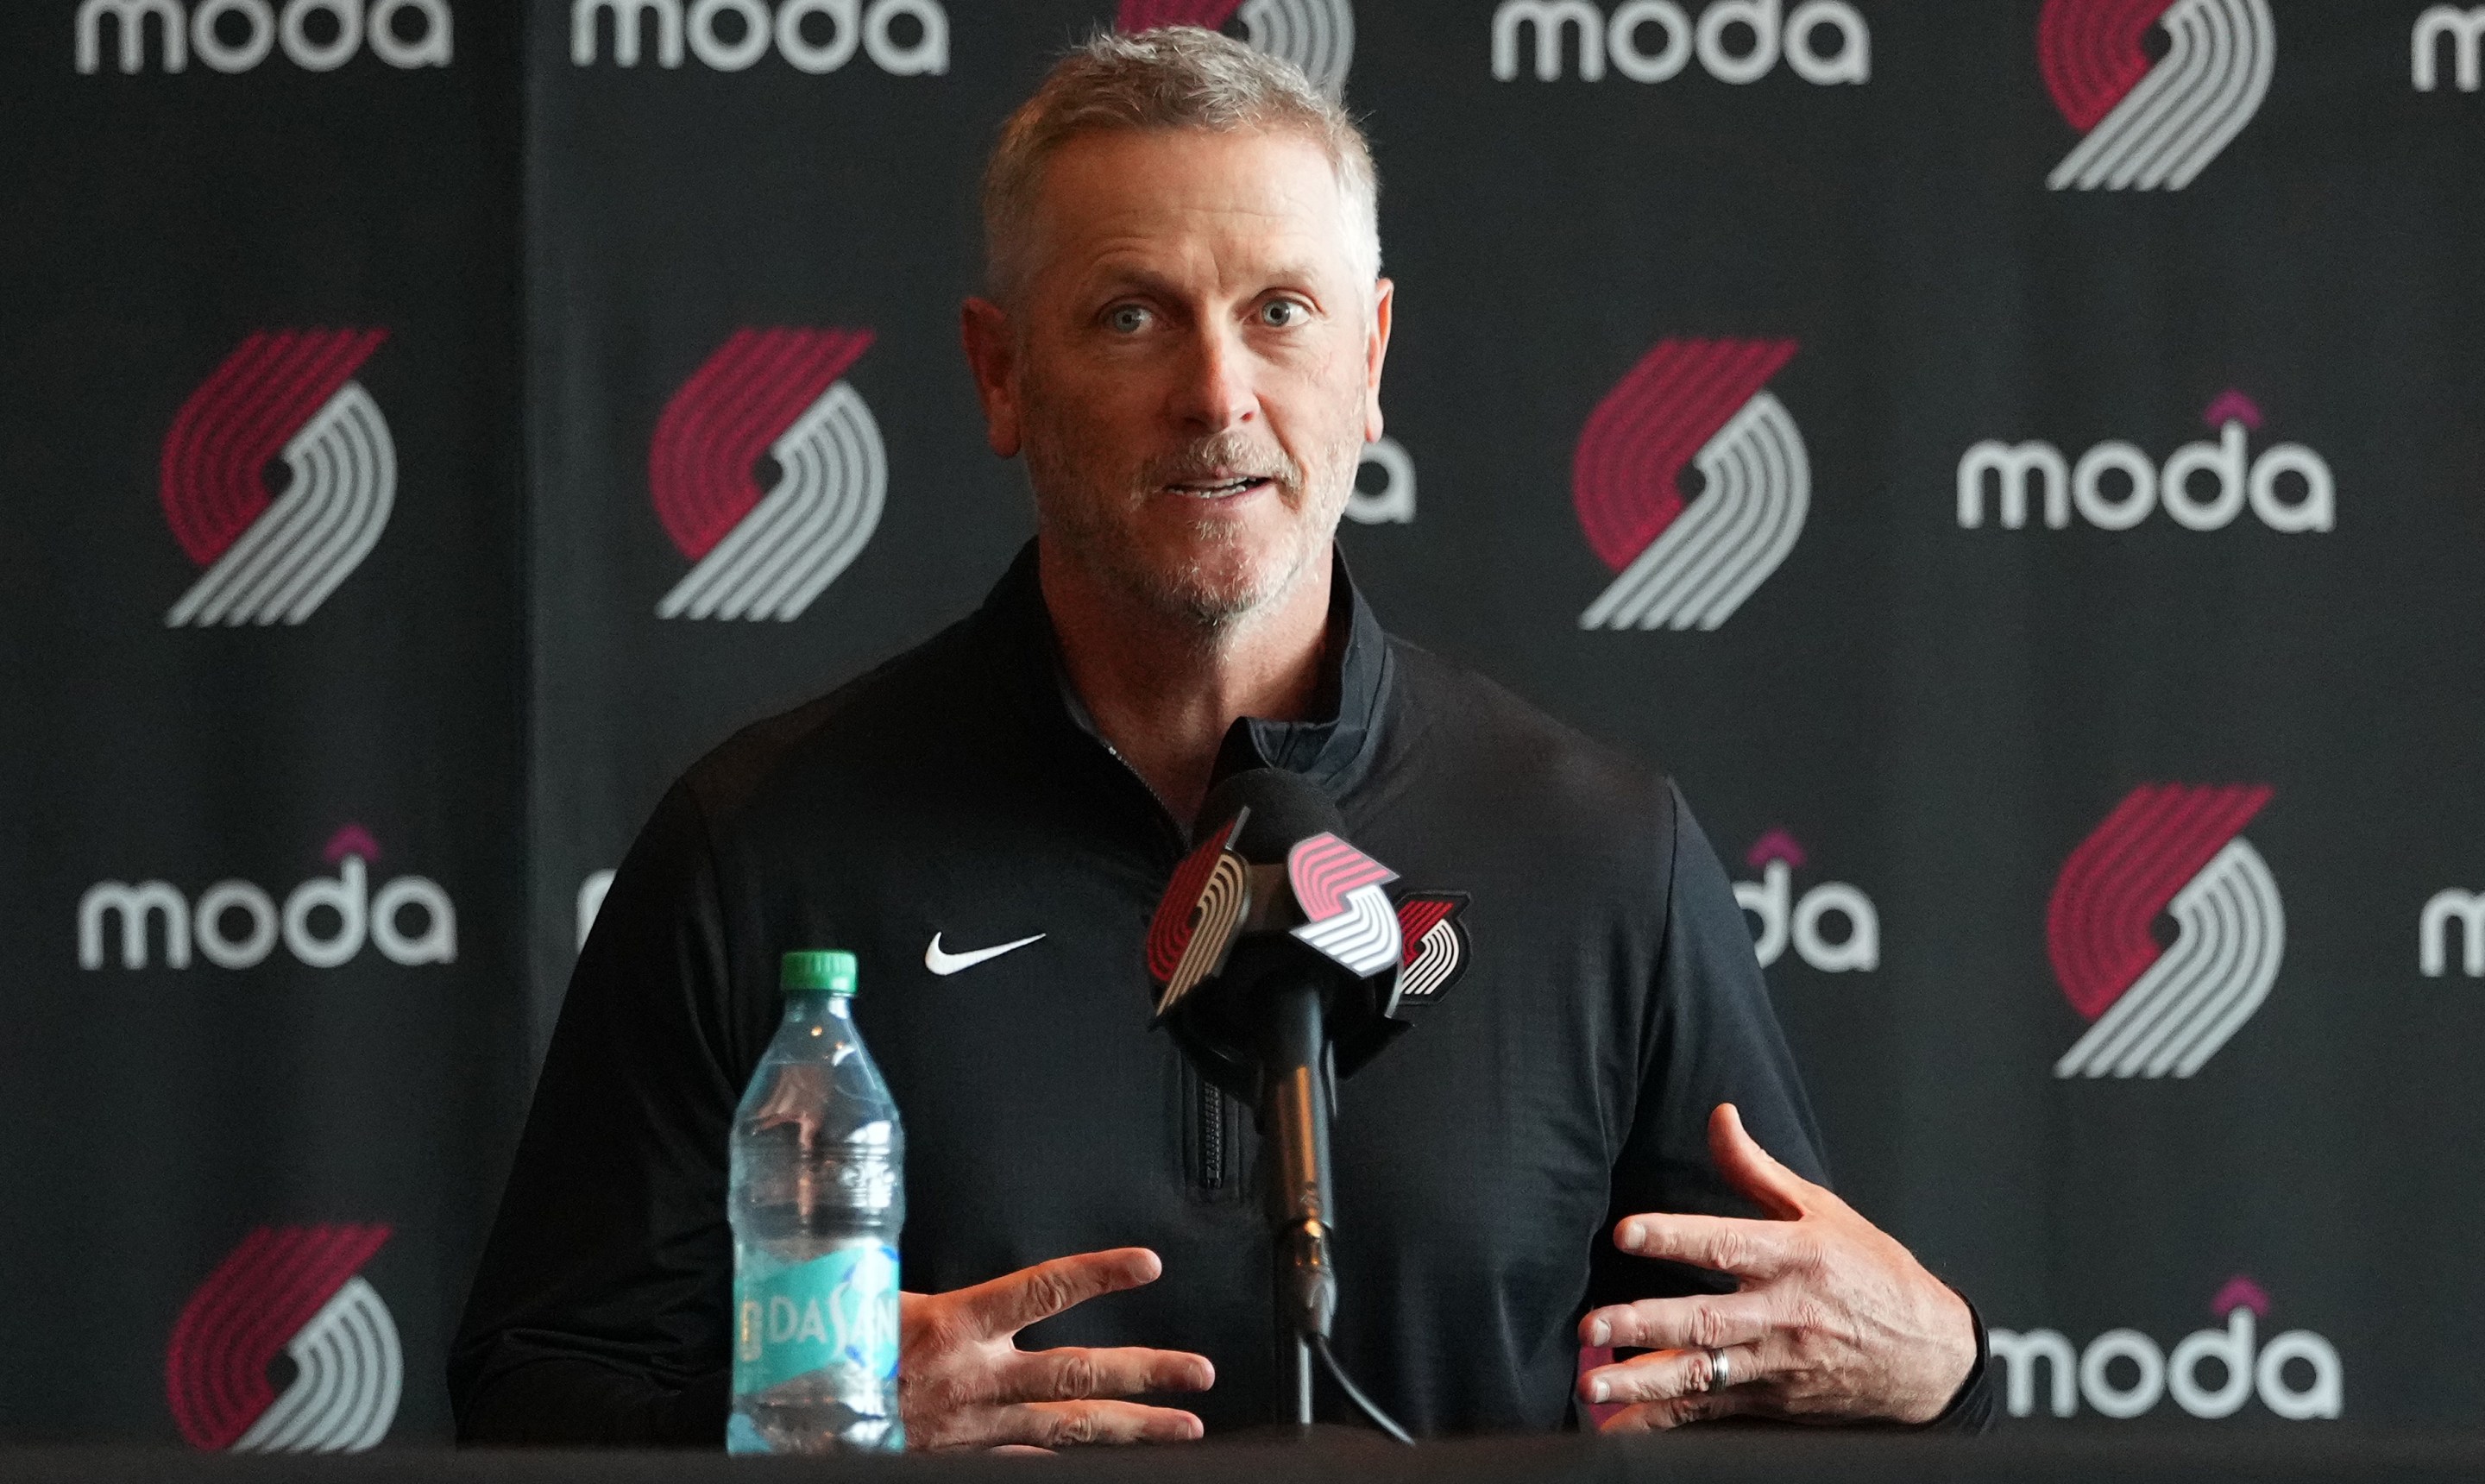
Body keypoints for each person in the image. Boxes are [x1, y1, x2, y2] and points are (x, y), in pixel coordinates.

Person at [450, 27, 1991, 1448]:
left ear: (1371, 358)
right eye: (1132, 315)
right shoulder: (764, 846)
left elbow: (1813, 1385)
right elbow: (531, 1392)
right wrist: (819, 1408)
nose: (1216, 392)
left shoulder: (1600, 853)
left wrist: (1951, 1378)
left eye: (1280, 312)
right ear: (1001, 373)